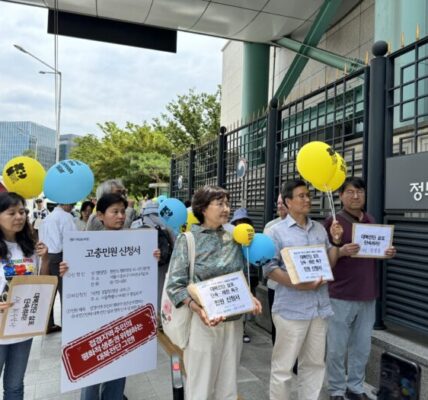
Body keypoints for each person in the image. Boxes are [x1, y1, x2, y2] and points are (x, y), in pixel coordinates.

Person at [60, 193, 160, 400]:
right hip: (95, 318)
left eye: (123, 211)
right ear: (100, 216)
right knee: (92, 370)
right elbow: (79, 278)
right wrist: (67, 269)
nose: (121, 216)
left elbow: (140, 277)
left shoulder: (137, 242)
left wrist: (152, 258)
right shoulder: (86, 244)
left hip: (122, 317)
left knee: (119, 367)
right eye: (115, 212)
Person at [166, 185, 262, 400]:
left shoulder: (233, 236)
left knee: (228, 386)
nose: (226, 209)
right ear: (202, 208)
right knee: (201, 387)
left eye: (227, 203)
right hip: (203, 324)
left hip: (234, 322)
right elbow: (175, 285)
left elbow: (238, 276)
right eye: (219, 204)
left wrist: (249, 297)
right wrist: (197, 308)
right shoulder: (188, 239)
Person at [263, 179, 344, 400]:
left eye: (308, 195)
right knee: (283, 367)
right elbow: (269, 269)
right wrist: (298, 284)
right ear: (288, 202)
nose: (308, 199)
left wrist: (336, 242)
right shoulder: (275, 232)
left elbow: (329, 264)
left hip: (319, 308)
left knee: (314, 364)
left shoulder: (319, 228)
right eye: (301, 196)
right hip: (290, 309)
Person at [324, 177, 396, 400]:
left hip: (367, 294)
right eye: (350, 192)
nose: (356, 196)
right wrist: (340, 250)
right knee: (336, 348)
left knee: (362, 347)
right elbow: (324, 259)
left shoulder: (371, 220)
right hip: (340, 295)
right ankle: (336, 389)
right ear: (340, 196)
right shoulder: (332, 222)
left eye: (360, 192)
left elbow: (373, 251)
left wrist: (387, 252)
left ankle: (355, 387)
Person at [0, 192, 49, 400]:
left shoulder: (29, 247)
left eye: (22, 212)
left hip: (22, 327)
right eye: (11, 213)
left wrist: (45, 259)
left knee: (15, 386)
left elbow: (40, 283)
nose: (19, 217)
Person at [39, 203, 76, 333]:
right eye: (72, 205)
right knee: (65, 292)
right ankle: (69, 325)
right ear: (66, 203)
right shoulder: (67, 217)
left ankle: (48, 324)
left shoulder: (47, 218)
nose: (72, 207)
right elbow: (72, 238)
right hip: (60, 255)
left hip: (45, 256)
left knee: (48, 291)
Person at [230, 207, 257, 343]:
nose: (241, 223)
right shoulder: (229, 236)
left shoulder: (252, 236)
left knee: (246, 303)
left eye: (244, 221)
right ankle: (235, 329)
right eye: (238, 221)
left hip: (248, 274)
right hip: (234, 275)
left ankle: (243, 329)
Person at [263, 192, 288, 345]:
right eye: (278, 203)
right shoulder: (271, 227)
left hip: (302, 289)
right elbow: (265, 257)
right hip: (276, 286)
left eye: (282, 203)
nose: (280, 206)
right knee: (278, 327)